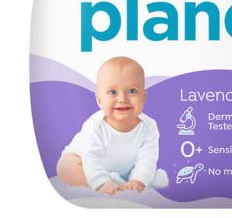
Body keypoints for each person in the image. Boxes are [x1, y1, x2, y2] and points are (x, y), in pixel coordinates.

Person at [56, 56, 168, 194]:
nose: (122, 99)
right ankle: (107, 183)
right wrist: (101, 182)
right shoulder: (95, 125)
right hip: (85, 163)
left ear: (143, 97)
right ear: (99, 100)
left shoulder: (148, 126)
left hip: (125, 168)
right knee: (66, 166)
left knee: (145, 170)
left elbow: (148, 157)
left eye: (132, 91)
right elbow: (91, 157)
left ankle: (133, 181)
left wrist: (139, 180)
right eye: (112, 92)